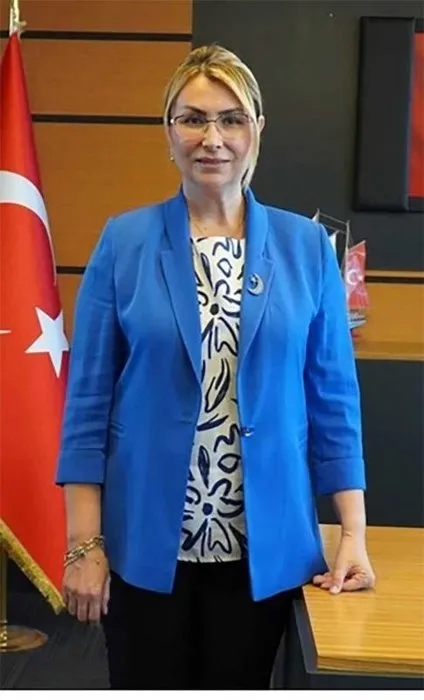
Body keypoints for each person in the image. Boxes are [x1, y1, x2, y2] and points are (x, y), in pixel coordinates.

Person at [56, 44, 375, 690]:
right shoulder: (124, 242)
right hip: (145, 547)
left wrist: (353, 533)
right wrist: (83, 546)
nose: (213, 138)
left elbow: (334, 402)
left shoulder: (306, 248)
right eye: (193, 118)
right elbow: (87, 406)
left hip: (264, 552)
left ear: (258, 129)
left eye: (231, 119)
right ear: (168, 131)